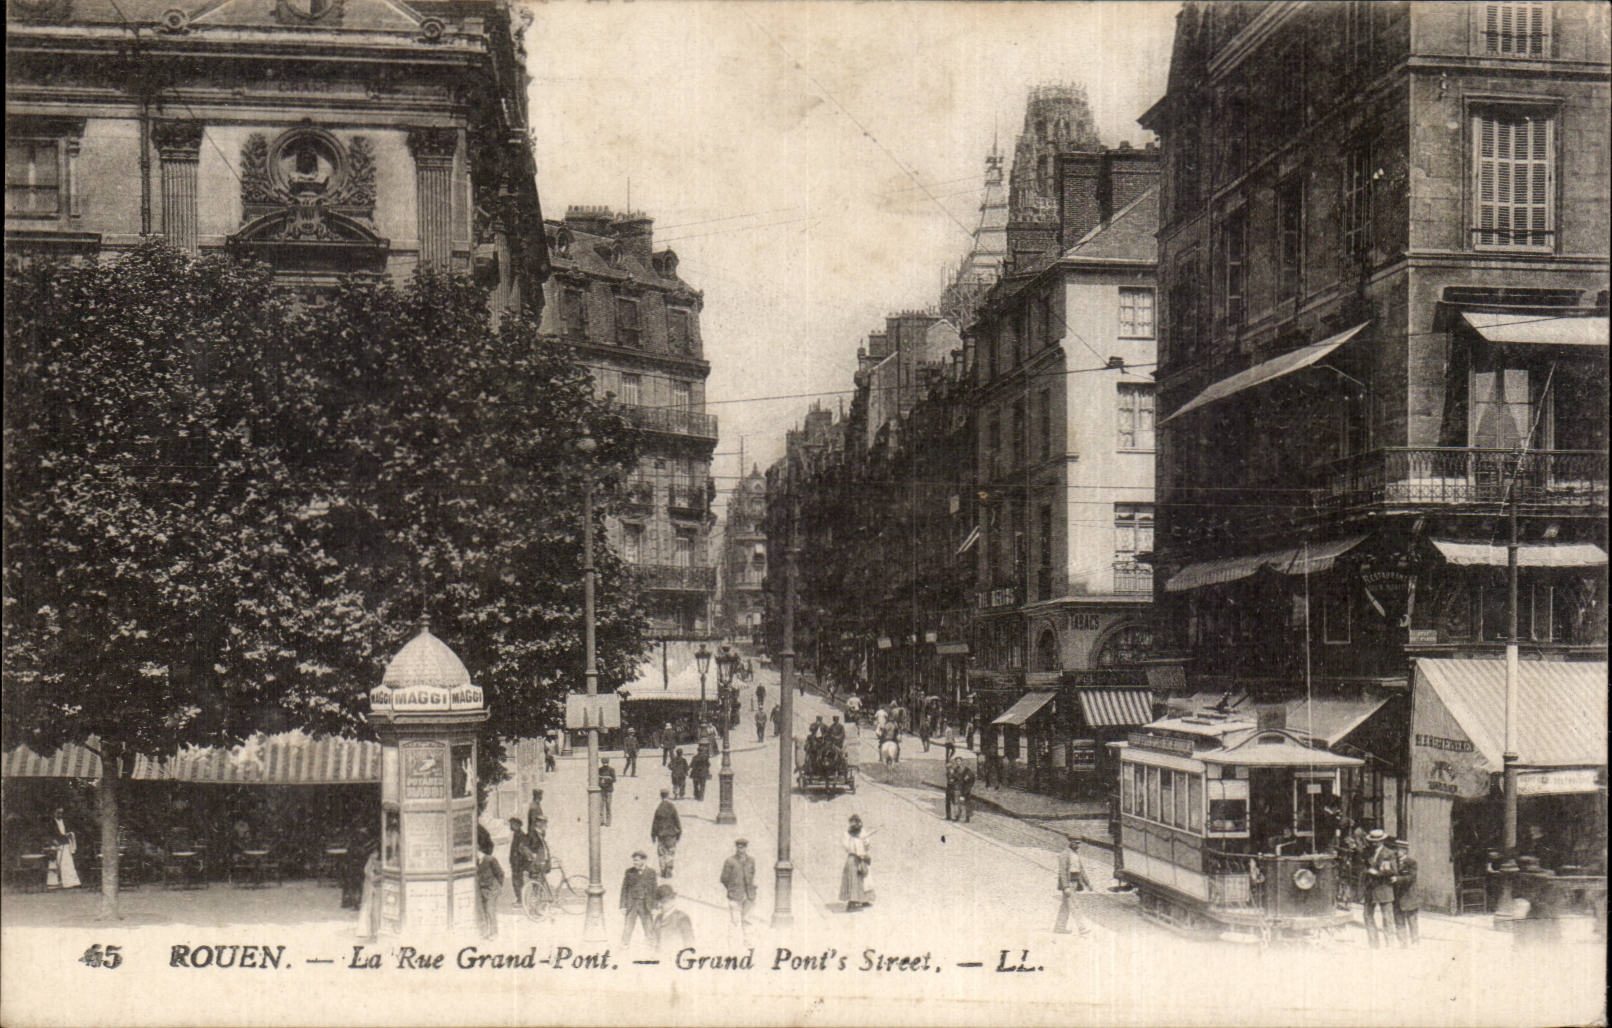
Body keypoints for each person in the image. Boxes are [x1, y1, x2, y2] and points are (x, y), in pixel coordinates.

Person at [1360, 828, 1402, 948]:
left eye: (1376, 841)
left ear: (1381, 841)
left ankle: (1390, 945)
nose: (1374, 843)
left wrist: (1377, 873)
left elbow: (1394, 871)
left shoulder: (1389, 853)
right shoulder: (1368, 853)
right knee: (1367, 916)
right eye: (1372, 841)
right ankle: (1374, 944)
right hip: (1370, 890)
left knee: (1387, 918)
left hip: (1384, 889)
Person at [720, 838, 758, 947]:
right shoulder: (730, 861)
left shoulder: (751, 860)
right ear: (736, 847)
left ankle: (748, 941)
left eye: (743, 847)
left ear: (746, 848)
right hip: (735, 895)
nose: (741, 849)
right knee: (735, 921)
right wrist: (732, 889)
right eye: (739, 847)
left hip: (749, 895)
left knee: (748, 919)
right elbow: (724, 878)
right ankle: (733, 943)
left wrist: (751, 889)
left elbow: (752, 874)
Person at [1054, 837, 1094, 935]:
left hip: (1075, 882)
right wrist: (1066, 886)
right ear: (1070, 842)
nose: (1078, 845)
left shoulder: (1076, 854)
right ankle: (1082, 928)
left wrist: (1088, 883)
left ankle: (1059, 927)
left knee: (1065, 906)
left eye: (1079, 843)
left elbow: (1081, 870)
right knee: (1075, 905)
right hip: (1069, 883)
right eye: (1075, 843)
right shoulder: (1064, 855)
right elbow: (1062, 872)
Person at [620, 850, 659, 947]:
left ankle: (651, 945)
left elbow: (654, 890)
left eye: (637, 860)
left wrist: (655, 907)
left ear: (644, 860)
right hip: (632, 904)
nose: (635, 863)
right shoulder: (629, 872)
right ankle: (625, 944)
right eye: (634, 860)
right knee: (628, 926)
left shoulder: (651, 872)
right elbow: (624, 889)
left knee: (649, 926)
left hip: (646, 905)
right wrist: (622, 906)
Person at [839, 815, 872, 911]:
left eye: (856, 822)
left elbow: (867, 845)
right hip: (853, 858)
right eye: (852, 823)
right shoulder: (847, 834)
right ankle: (852, 902)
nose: (855, 825)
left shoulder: (863, 832)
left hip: (862, 858)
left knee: (865, 878)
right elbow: (846, 846)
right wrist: (854, 842)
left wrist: (864, 842)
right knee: (853, 879)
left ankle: (864, 899)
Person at [1392, 839, 1421, 947]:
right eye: (1396, 849)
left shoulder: (1411, 863)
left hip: (1409, 896)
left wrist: (1397, 879)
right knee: (1399, 921)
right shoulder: (1393, 862)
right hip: (1397, 897)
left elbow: (1411, 877)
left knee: (1412, 921)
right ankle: (1402, 943)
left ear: (1405, 850)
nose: (1397, 852)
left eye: (1399, 849)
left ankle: (1415, 942)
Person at [355, 834, 384, 940]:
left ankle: (375, 930)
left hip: (376, 884)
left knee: (375, 908)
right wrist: (375, 876)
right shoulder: (373, 858)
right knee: (371, 907)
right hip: (372, 884)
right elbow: (367, 870)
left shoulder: (376, 857)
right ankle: (370, 930)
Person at [475, 837, 504, 939]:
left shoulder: (490, 859)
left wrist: (498, 886)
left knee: (490, 910)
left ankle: (494, 932)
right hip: (483, 889)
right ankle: (486, 931)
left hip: (492, 888)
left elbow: (500, 873)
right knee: (483, 911)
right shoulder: (476, 862)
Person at [45, 808, 80, 891]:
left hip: (65, 844)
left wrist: (69, 835)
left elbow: (68, 832)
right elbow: (48, 834)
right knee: (54, 864)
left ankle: (70, 882)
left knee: (67, 863)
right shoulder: (51, 823)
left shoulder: (65, 822)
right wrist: (53, 841)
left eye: (61, 813)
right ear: (54, 813)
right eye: (58, 813)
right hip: (55, 845)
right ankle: (54, 883)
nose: (60, 815)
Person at [654, 884, 694, 953]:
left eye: (663, 902)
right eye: (658, 902)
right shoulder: (658, 918)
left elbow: (690, 944)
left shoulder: (682, 918)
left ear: (672, 900)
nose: (659, 905)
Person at [652, 789, 682, 878]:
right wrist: (679, 832)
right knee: (670, 852)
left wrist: (653, 835)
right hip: (671, 835)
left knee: (662, 853)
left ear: (661, 796)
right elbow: (677, 820)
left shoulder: (659, 807)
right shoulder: (672, 807)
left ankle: (663, 869)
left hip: (661, 834)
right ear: (668, 795)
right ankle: (669, 867)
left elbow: (655, 823)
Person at [507, 818, 532, 908]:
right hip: (515, 864)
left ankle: (521, 900)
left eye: (512, 824)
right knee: (517, 881)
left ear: (517, 825)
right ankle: (520, 899)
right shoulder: (516, 835)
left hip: (518, 864)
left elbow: (522, 851)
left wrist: (517, 862)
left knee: (518, 882)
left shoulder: (521, 836)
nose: (510, 826)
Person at [955, 758, 975, 823]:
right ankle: (958, 816)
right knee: (960, 803)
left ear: (961, 762)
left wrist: (968, 778)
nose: (958, 763)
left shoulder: (966, 770)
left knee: (967, 803)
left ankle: (967, 817)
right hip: (960, 789)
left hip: (966, 790)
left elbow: (972, 776)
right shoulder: (956, 769)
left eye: (959, 761)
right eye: (956, 761)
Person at [597, 759, 617, 826]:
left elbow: (614, 779)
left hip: (608, 790)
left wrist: (607, 780)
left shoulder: (611, 770)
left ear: (608, 763)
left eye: (606, 763)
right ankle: (601, 821)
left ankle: (608, 822)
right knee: (601, 805)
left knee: (608, 806)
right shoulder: (599, 770)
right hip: (601, 790)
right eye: (603, 763)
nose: (605, 764)